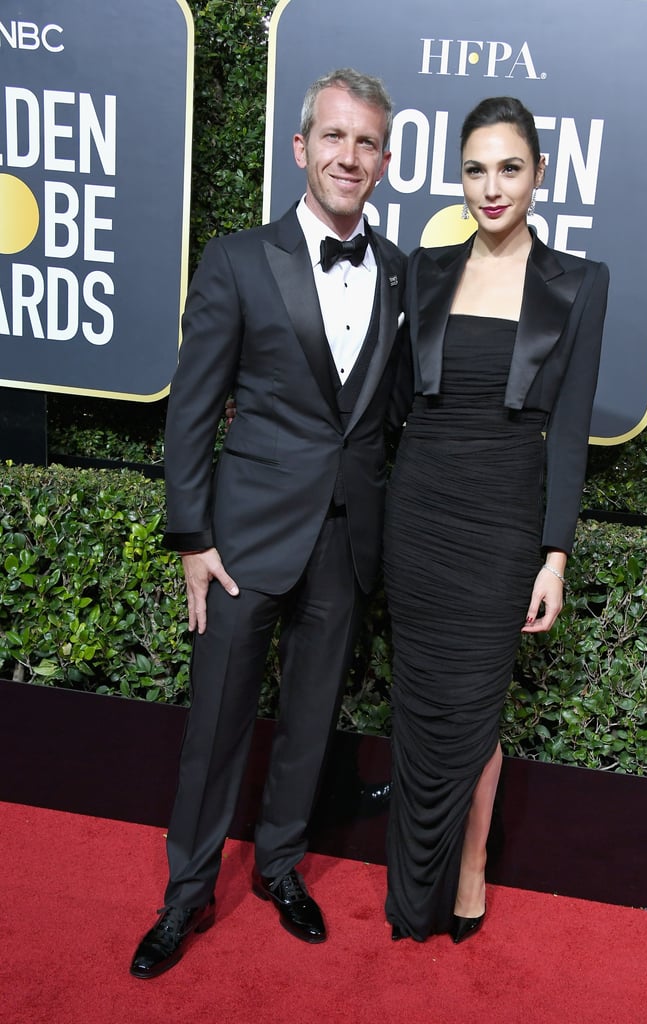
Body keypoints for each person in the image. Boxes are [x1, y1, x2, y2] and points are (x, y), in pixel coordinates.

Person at [129, 68, 407, 979]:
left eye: (366, 142)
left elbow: (393, 408)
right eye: (334, 136)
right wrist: (192, 538)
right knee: (215, 725)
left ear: (385, 160)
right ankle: (186, 896)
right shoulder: (238, 260)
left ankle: (282, 867)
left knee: (310, 719)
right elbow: (191, 408)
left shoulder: (401, 271)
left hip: (345, 540)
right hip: (242, 541)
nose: (349, 156)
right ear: (301, 147)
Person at [383, 96, 609, 943]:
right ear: (460, 177)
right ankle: (416, 880)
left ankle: (470, 863)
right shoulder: (426, 269)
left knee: (477, 713)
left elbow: (572, 426)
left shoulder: (580, 282)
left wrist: (554, 555)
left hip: (504, 520)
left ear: (539, 174)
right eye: (475, 168)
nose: (491, 185)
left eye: (509, 167)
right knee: (421, 706)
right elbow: (395, 404)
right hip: (422, 511)